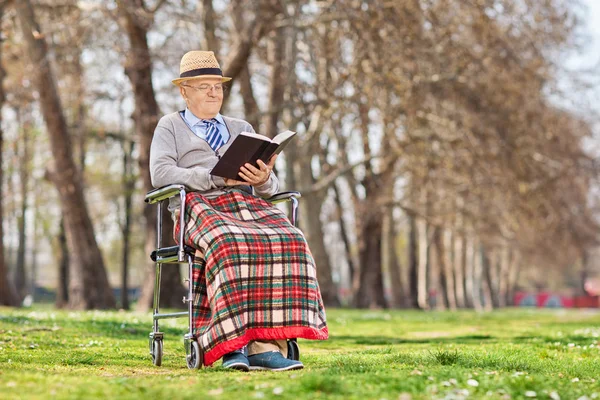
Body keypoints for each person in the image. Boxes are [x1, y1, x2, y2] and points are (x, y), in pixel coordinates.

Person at [149, 51, 328, 371]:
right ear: (184, 91)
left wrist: (263, 180)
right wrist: (211, 177)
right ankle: (235, 342)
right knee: (228, 242)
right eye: (203, 86)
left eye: (217, 86)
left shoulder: (239, 126)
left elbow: (268, 186)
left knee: (291, 238)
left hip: (246, 204)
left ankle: (266, 343)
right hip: (197, 206)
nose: (212, 92)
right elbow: (160, 173)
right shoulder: (170, 126)